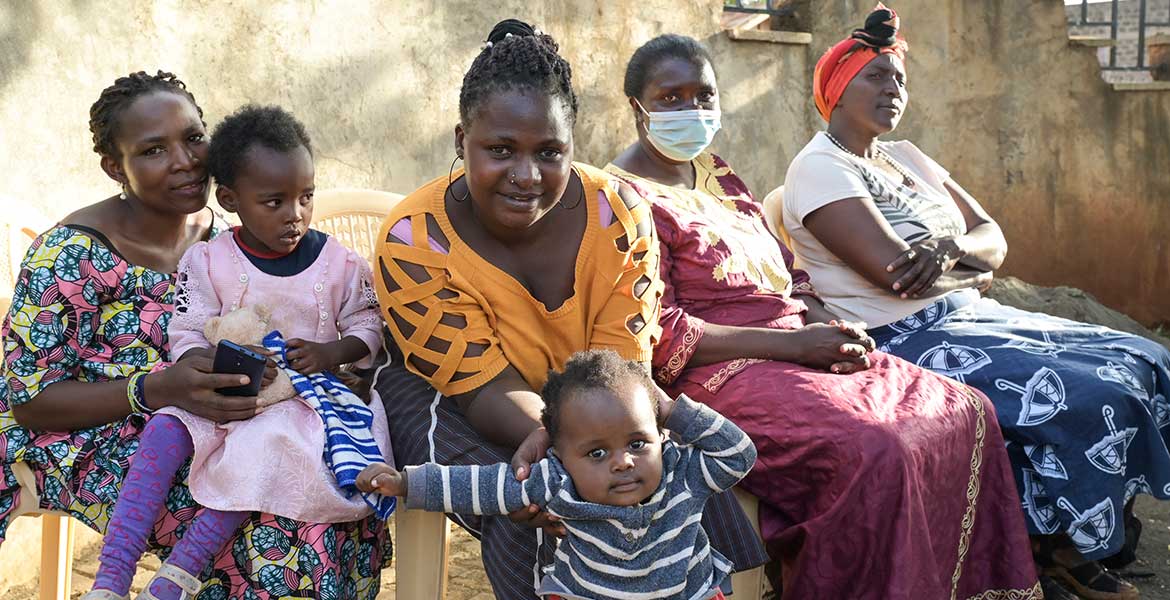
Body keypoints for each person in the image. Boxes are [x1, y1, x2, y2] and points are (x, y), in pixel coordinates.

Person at [606, 33, 1041, 599]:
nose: (691, 110)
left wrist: (825, 325)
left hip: (798, 343)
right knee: (877, 449)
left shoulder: (717, 174)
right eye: (671, 98)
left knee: (966, 409)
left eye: (704, 96)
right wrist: (792, 346)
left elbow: (789, 271)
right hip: (719, 371)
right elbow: (658, 332)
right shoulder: (618, 198)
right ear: (636, 106)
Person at [777, 5, 1170, 599]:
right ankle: (1061, 546)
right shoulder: (819, 169)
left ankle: (1073, 538)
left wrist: (953, 248)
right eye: (876, 76)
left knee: (1143, 355)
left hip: (970, 317)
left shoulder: (907, 156)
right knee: (1096, 393)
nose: (893, 89)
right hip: (907, 336)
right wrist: (968, 273)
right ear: (835, 88)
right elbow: (895, 277)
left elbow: (994, 237)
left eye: (900, 80)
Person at [370, 19, 767, 600]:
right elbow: (483, 390)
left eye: (550, 152)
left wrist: (588, 444)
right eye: (500, 150)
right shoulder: (415, 239)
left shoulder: (619, 215)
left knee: (651, 473)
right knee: (524, 490)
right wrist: (564, 448)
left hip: (596, 397)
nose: (526, 176)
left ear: (573, 145)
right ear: (461, 141)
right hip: (456, 398)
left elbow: (620, 371)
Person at [0, 72, 389, 599]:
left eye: (193, 137)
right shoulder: (69, 253)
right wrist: (157, 389)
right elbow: (30, 403)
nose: (185, 160)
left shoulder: (228, 244)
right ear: (116, 166)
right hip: (92, 433)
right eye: (154, 149)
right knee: (274, 525)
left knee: (318, 489)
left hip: (225, 420)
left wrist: (325, 368)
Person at [360, 349, 753, 600]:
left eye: (637, 443)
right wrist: (407, 483)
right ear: (560, 455)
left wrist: (671, 410)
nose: (623, 462)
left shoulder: (681, 472)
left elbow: (739, 454)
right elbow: (481, 486)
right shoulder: (556, 480)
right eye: (597, 453)